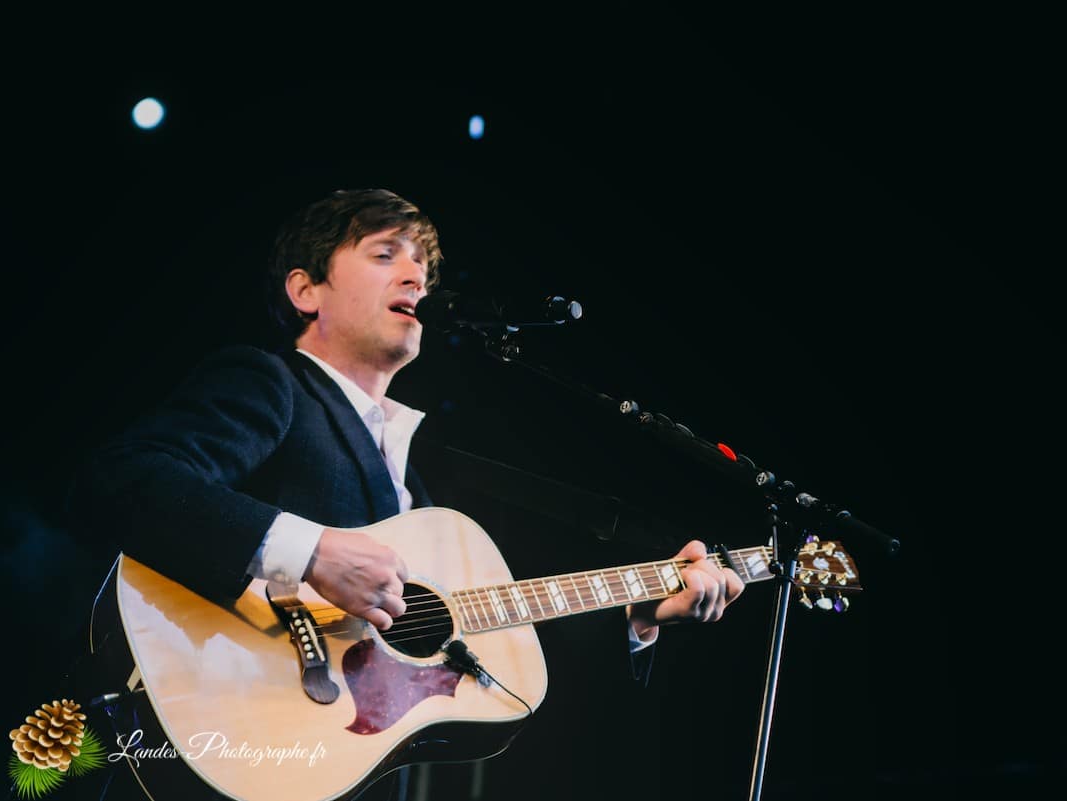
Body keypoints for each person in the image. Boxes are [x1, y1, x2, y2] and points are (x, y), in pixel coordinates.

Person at [68, 188, 745, 800]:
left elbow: (499, 657)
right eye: (384, 253)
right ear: (306, 290)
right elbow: (124, 477)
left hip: (323, 768)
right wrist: (312, 553)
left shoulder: (415, 487)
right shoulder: (273, 384)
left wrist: (640, 614)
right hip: (216, 708)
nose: (416, 275)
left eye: (422, 263)